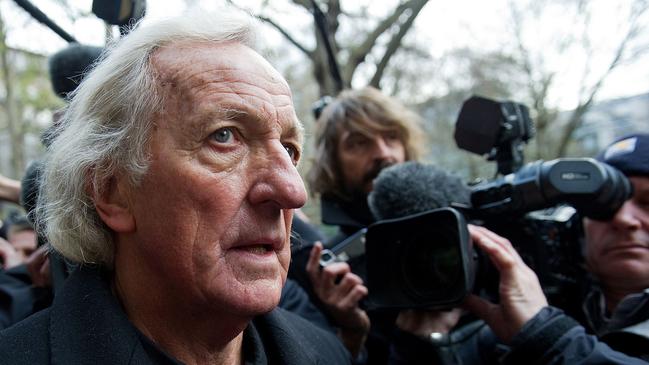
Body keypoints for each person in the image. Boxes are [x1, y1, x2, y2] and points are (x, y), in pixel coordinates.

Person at [0, 8, 351, 364]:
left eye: (290, 150)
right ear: (111, 190)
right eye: (225, 137)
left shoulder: (328, 353)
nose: (293, 192)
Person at [390, 133, 649, 364]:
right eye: (604, 206)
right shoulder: (516, 316)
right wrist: (420, 346)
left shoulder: (537, 324)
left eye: (647, 203)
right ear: (580, 224)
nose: (625, 219)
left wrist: (548, 337)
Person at [288, 87, 426, 363]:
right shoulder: (330, 272)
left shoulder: (452, 223)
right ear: (333, 163)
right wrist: (350, 329)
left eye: (391, 137)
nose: (383, 154)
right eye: (359, 143)